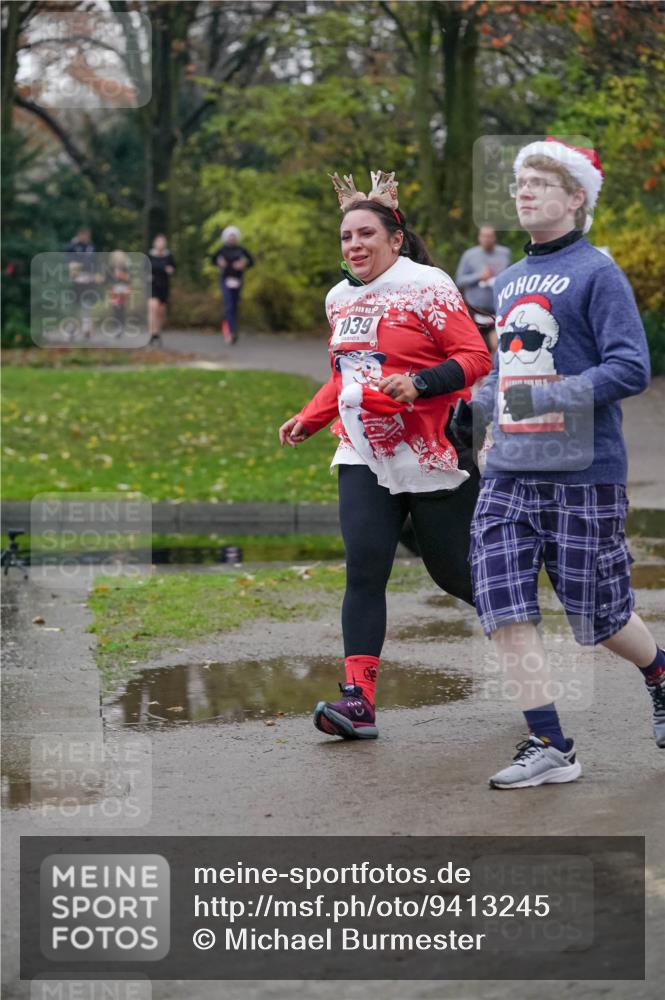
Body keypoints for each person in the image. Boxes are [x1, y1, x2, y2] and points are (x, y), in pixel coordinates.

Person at [450, 137, 663, 789]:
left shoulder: (597, 272)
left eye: (541, 181)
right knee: (500, 599)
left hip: (582, 472)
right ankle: (547, 740)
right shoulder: (508, 280)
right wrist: (475, 406)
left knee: (598, 616)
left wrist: (549, 395)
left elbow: (630, 366)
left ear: (576, 198)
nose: (524, 190)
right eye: (520, 181)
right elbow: (505, 367)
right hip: (510, 472)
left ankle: (659, 673)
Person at [278, 170, 492, 740]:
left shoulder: (428, 285)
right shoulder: (338, 298)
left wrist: (420, 385)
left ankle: (522, 634)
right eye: (346, 236)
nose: (354, 245)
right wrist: (309, 417)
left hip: (432, 453)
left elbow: (475, 358)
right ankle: (359, 702)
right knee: (365, 568)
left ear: (395, 239)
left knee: (455, 574)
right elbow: (345, 375)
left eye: (366, 234)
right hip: (363, 454)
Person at [455, 225, 511, 355]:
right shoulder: (469, 255)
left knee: (497, 346)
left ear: (494, 238)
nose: (487, 239)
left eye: (490, 236)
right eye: (484, 236)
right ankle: (479, 373)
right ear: (479, 238)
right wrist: (478, 277)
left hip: (496, 309)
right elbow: (459, 280)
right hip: (474, 311)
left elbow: (509, 276)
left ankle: (495, 374)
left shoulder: (504, 253)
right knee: (477, 349)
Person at [212, 226, 254, 344]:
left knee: (234, 307)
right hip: (226, 280)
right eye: (230, 236)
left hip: (238, 281)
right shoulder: (222, 250)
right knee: (228, 305)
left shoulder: (241, 250)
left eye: (233, 236)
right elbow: (213, 259)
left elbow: (251, 261)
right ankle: (231, 331)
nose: (231, 238)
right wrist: (219, 263)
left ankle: (229, 329)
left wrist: (243, 264)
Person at [65, 226, 99, 340]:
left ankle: (86, 330)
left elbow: (94, 262)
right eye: (84, 235)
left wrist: (95, 274)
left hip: (88, 279)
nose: (86, 238)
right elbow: (70, 263)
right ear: (79, 235)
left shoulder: (91, 247)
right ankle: (71, 329)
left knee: (87, 305)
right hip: (75, 280)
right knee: (74, 306)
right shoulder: (72, 247)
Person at [148, 234, 175, 346]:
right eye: (159, 241)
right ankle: (152, 333)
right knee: (153, 307)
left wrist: (169, 270)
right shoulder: (149, 255)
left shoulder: (168, 256)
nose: (161, 244)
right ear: (155, 243)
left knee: (161, 312)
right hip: (152, 285)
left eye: (162, 242)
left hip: (164, 286)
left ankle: (157, 332)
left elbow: (172, 268)